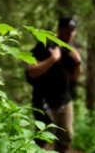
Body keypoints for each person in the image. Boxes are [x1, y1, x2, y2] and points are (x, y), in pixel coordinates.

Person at [26, 17, 81, 153]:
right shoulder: (45, 45)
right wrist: (52, 59)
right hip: (44, 102)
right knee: (43, 139)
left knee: (66, 136)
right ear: (59, 30)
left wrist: (78, 62)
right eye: (67, 31)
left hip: (65, 101)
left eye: (72, 31)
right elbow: (31, 71)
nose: (70, 34)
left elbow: (75, 78)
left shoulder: (71, 50)